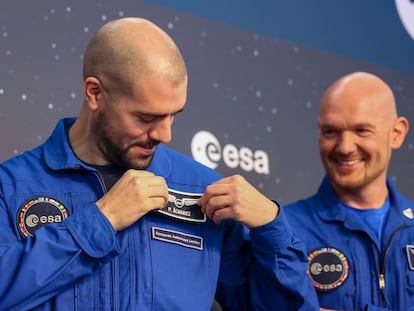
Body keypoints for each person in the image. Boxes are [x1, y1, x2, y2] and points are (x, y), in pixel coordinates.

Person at [0, 17, 318, 310]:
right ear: (95, 93)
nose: (165, 134)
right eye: (147, 117)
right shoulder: (11, 186)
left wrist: (272, 228)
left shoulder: (201, 190)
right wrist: (102, 220)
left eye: (173, 115)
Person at [284, 71, 414, 311]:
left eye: (362, 131)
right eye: (330, 132)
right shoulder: (286, 232)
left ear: (396, 134)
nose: (344, 147)